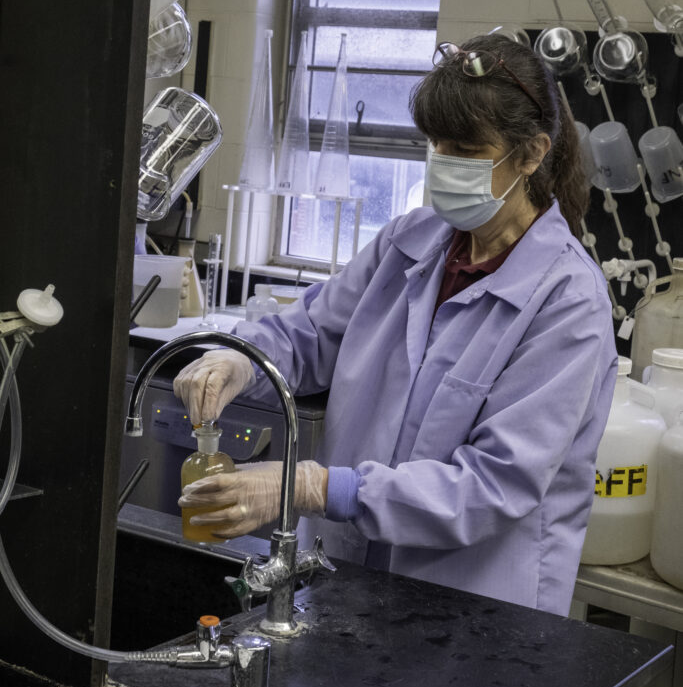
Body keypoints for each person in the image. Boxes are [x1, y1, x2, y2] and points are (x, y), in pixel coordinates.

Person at [175, 32, 617, 617]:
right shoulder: (409, 241)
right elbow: (310, 334)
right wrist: (240, 360)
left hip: (470, 610)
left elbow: (492, 485)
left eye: (466, 148)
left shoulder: (568, 301)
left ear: (532, 154)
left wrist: (314, 486)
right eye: (437, 145)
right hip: (348, 578)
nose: (444, 163)